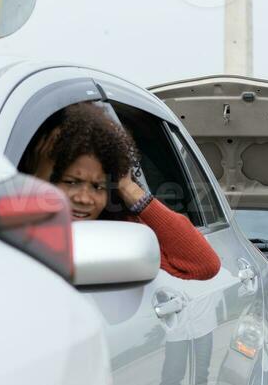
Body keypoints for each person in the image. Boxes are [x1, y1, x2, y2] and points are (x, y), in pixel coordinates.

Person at [29, 103, 220, 282]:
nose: (84, 198)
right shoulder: (19, 226)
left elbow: (205, 265)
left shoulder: (118, 233)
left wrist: (129, 188)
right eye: (71, 182)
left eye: (99, 187)